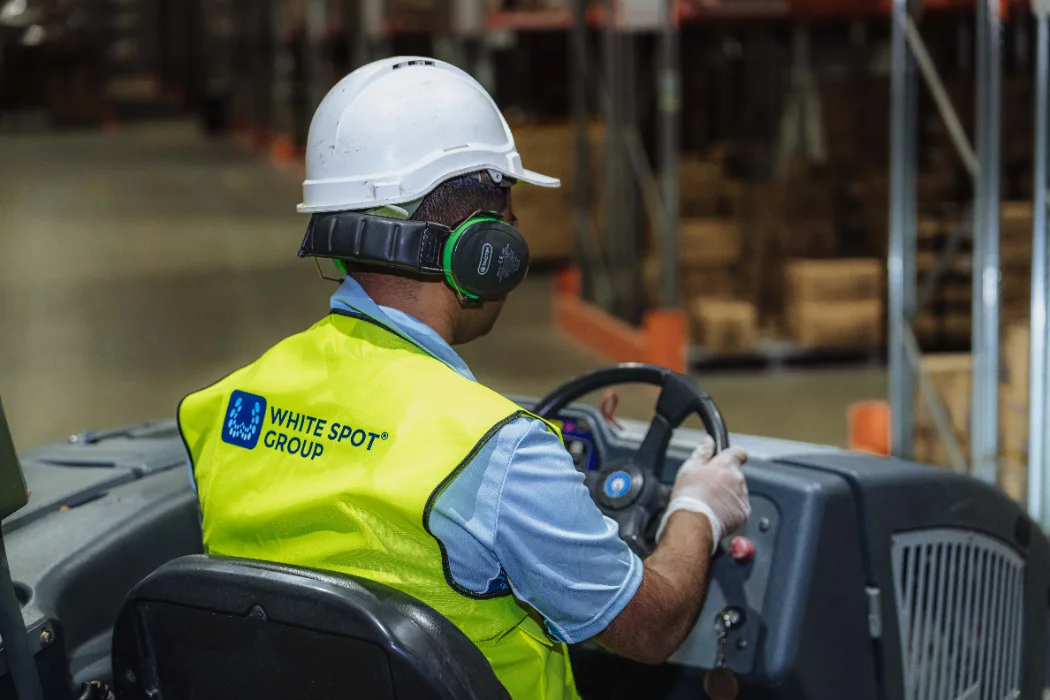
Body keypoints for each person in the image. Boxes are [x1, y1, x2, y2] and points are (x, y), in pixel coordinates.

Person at [178, 57, 751, 700]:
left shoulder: (230, 401)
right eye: (508, 217)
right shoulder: (498, 450)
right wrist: (698, 507)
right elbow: (651, 628)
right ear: (483, 252)